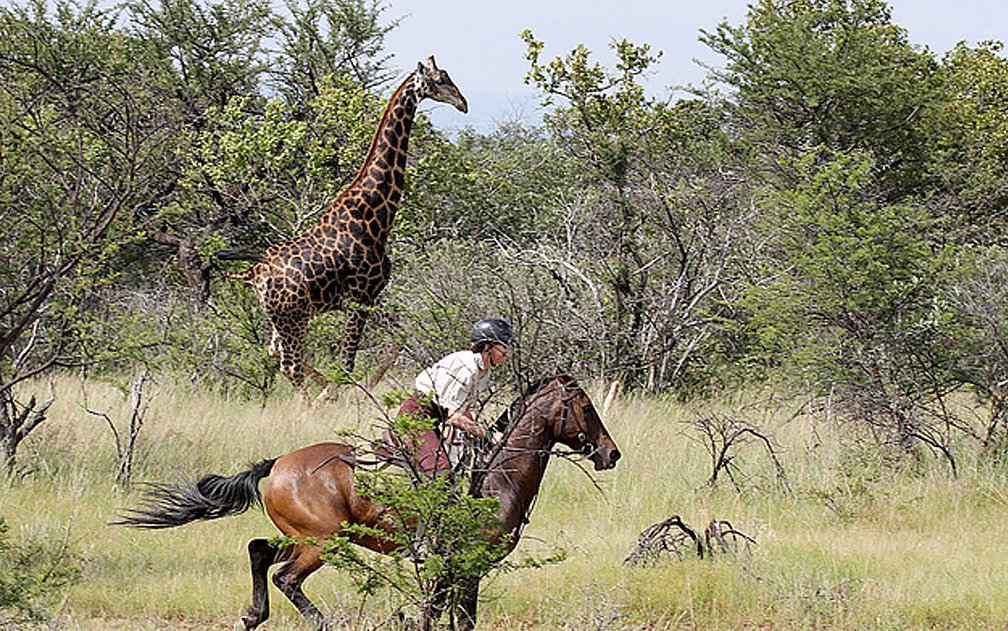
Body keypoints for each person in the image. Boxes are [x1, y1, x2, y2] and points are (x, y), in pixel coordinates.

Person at [391, 318, 516, 476]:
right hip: (417, 416)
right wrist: (488, 435)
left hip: (434, 418)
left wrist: (476, 433)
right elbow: (455, 417)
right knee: (441, 472)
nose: (507, 349)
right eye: (503, 344)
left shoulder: (484, 371)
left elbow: (463, 411)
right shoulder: (468, 368)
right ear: (487, 346)